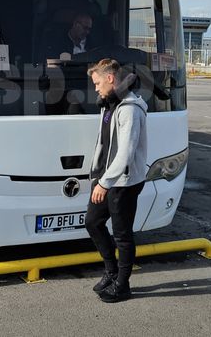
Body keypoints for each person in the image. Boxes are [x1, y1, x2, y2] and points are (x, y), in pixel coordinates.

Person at [85, 58, 147, 302]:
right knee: (93, 222)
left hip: (125, 182)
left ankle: (123, 284)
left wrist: (104, 183)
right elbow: (104, 143)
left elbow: (126, 153)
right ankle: (111, 271)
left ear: (110, 78)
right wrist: (96, 174)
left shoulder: (130, 108)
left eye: (98, 83)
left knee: (122, 235)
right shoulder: (109, 105)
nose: (96, 88)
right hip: (106, 177)